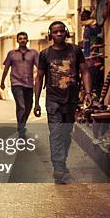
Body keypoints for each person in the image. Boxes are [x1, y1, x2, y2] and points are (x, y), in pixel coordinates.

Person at [34, 21, 92, 184]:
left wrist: (88, 92)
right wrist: (36, 102)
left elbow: (85, 71)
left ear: (66, 33)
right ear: (50, 34)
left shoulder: (75, 50)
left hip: (71, 100)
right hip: (53, 100)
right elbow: (39, 77)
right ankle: (58, 168)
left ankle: (62, 162)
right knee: (56, 133)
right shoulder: (45, 54)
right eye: (55, 32)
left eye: (61, 31)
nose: (59, 34)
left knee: (66, 134)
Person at [0, 32, 39, 139]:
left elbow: (39, 67)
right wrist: (2, 81)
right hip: (16, 83)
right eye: (20, 38)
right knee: (21, 106)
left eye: (24, 38)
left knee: (28, 106)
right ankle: (21, 128)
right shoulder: (11, 54)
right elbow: (6, 68)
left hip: (29, 84)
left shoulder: (33, 53)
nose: (22, 40)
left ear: (27, 40)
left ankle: (22, 124)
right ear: (17, 41)